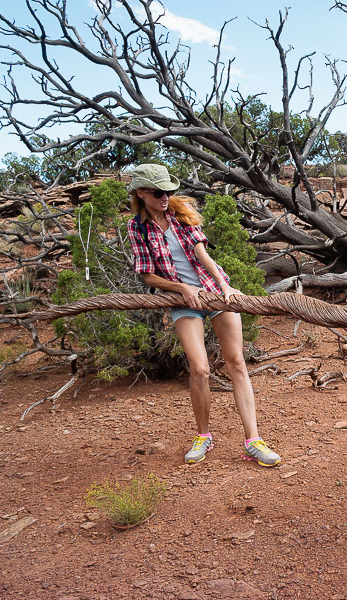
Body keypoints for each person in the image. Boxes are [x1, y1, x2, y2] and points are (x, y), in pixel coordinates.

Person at [126, 163, 281, 467]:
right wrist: (181, 287)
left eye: (168, 191)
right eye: (158, 192)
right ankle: (204, 437)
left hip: (213, 290)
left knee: (236, 362)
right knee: (199, 369)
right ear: (141, 193)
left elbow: (202, 254)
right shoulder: (137, 227)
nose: (165, 197)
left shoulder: (180, 213)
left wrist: (224, 285)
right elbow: (147, 277)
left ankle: (253, 441)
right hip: (182, 300)